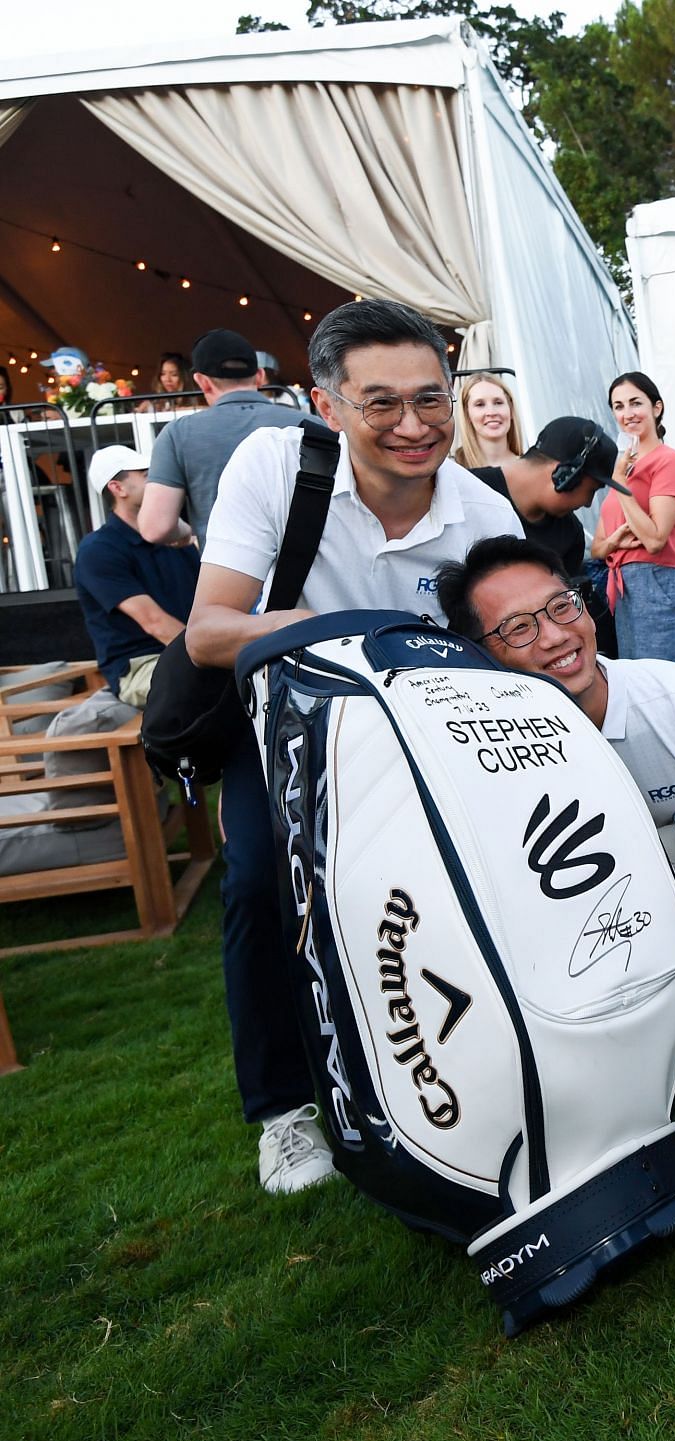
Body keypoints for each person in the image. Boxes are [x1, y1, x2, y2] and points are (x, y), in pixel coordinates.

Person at [184, 298, 524, 1196]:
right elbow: (210, 632)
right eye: (382, 404)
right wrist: (339, 631)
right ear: (326, 404)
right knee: (260, 881)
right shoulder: (276, 465)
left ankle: (485, 1057)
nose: (413, 427)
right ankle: (284, 1109)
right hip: (284, 734)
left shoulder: (485, 514)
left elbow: (515, 650)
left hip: (428, 739)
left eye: (431, 400)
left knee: (468, 881)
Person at [437, 535, 675, 1080]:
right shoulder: (474, 750)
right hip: (585, 884)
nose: (557, 636)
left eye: (562, 606)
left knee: (647, 859)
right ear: (482, 656)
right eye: (519, 627)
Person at [137, 329, 302, 546]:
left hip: (229, 574)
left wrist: (187, 531)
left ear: (201, 382)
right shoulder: (309, 425)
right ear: (260, 376)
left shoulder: (177, 434)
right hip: (313, 571)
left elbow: (155, 527)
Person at [72, 445, 199, 707]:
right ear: (118, 488)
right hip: (140, 667)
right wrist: (218, 657)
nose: (158, 479)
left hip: (192, 651)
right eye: (146, 474)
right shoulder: (98, 550)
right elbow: (155, 623)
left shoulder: (172, 535)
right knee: (219, 684)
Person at [593, 371, 675, 668]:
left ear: (657, 407)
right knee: (640, 686)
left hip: (660, 580)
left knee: (670, 686)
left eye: (635, 403)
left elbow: (654, 539)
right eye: (618, 406)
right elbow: (598, 549)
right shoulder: (623, 465)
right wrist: (615, 540)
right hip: (625, 587)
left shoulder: (670, 460)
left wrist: (619, 482)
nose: (627, 413)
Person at [461, 416, 615, 578]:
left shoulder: (571, 533)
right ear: (565, 475)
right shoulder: (465, 491)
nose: (588, 503)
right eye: (592, 490)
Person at [454, 371, 522, 471]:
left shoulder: (535, 468)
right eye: (480, 404)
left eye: (498, 403)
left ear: (511, 409)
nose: (491, 412)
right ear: (467, 414)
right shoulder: (453, 471)